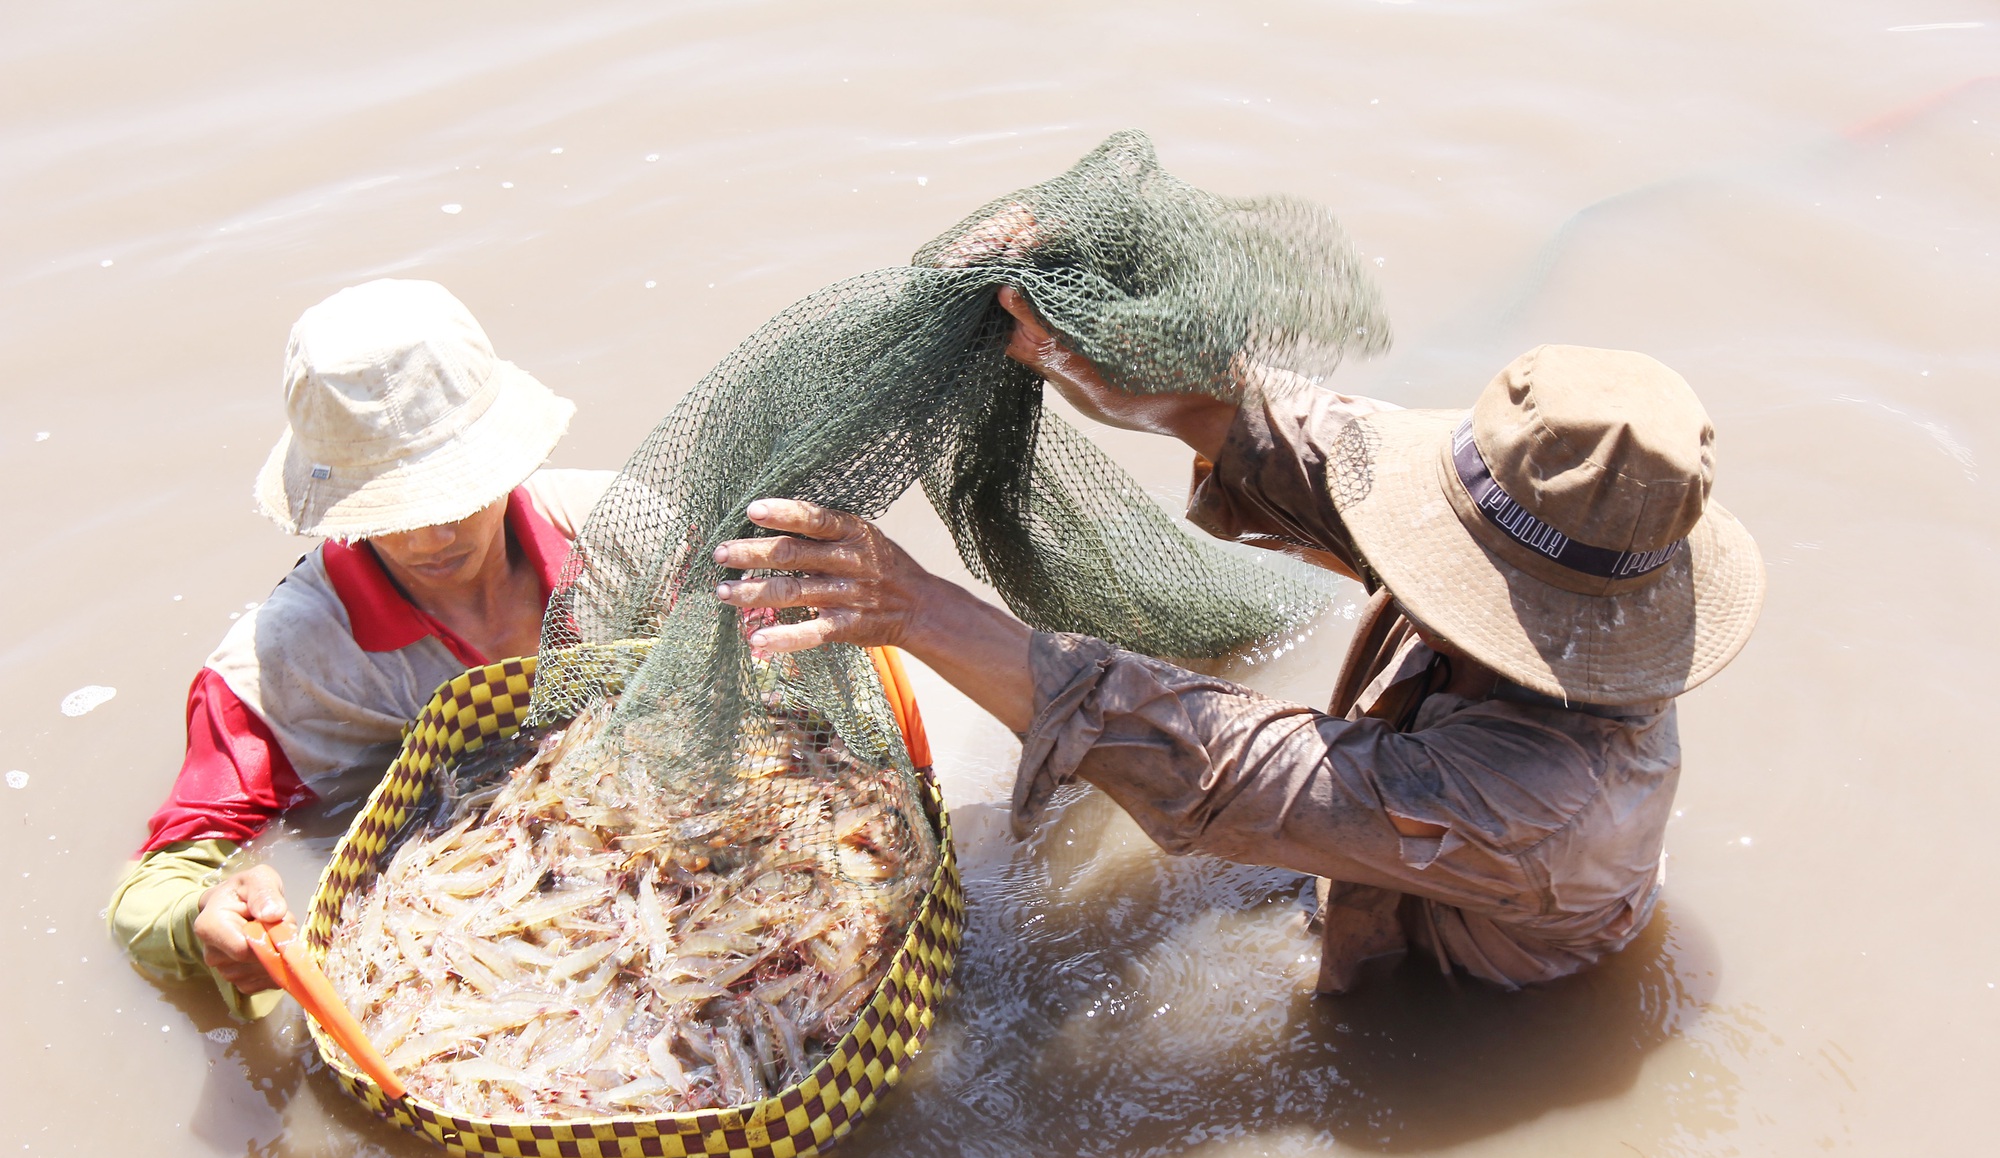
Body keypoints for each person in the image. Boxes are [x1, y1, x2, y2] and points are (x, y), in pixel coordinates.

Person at [712, 287, 1765, 993]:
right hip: (1401, 827)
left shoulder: (1548, 801)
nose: (1416, 545)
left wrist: (917, 608)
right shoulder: (1560, 550)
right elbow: (1304, 445)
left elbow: (1231, 768)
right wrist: (1091, 353)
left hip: (1461, 970)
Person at [110, 279, 614, 1019]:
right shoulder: (284, 668)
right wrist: (204, 916)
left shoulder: (625, 533)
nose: (430, 538)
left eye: (454, 495)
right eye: (391, 508)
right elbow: (150, 888)